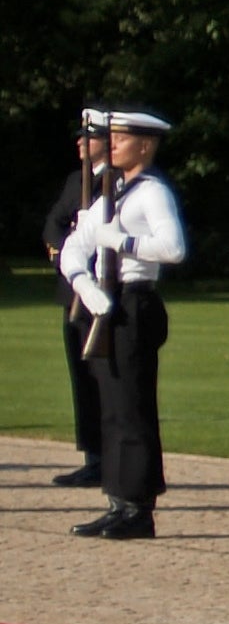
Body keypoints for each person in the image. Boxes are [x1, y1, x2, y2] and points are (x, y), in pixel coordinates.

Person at [60, 109, 183, 539]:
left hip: (134, 301)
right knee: (110, 405)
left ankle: (138, 504)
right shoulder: (113, 192)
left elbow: (173, 247)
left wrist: (123, 242)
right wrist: (83, 281)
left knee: (131, 404)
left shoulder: (151, 192)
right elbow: (77, 242)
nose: (111, 145)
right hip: (105, 301)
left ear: (145, 146)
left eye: (122, 139)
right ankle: (117, 496)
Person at [45, 111, 107, 488]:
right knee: (81, 377)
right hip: (72, 287)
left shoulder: (115, 183)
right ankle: (91, 454)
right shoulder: (75, 181)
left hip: (99, 286)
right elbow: (53, 223)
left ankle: (108, 456)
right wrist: (64, 248)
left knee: (101, 376)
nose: (81, 142)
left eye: (89, 136)